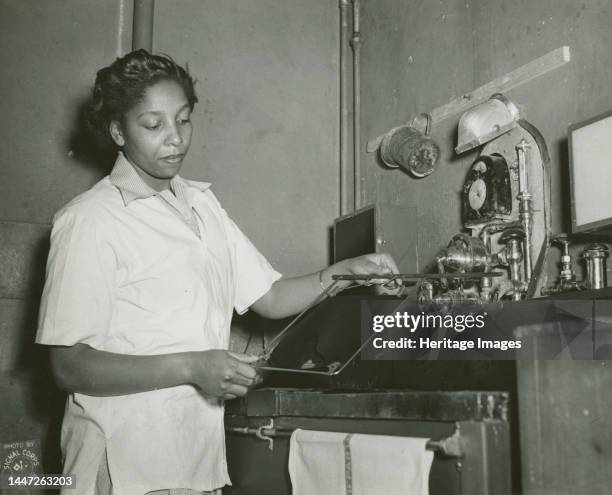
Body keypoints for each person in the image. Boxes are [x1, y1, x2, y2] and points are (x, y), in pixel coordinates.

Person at [36, 49, 400, 495]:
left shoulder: (201, 205)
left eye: (183, 120)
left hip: (195, 463)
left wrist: (346, 273)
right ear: (117, 130)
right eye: (153, 125)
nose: (175, 139)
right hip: (124, 465)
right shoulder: (92, 219)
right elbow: (69, 364)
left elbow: (271, 297)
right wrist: (194, 366)